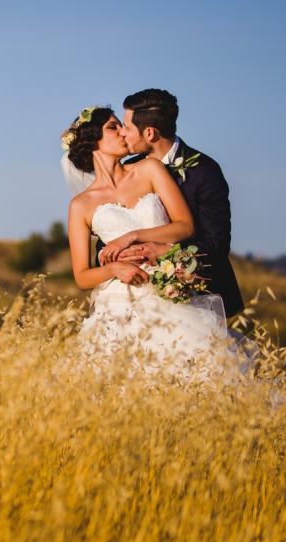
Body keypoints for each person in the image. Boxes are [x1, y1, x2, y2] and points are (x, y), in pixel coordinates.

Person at [62, 106, 232, 373]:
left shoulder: (150, 169)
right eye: (113, 127)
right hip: (119, 304)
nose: (124, 132)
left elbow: (185, 226)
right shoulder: (80, 205)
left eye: (121, 125)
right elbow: (82, 276)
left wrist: (133, 237)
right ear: (93, 140)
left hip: (168, 294)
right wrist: (114, 269)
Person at [100, 88, 244, 318]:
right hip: (135, 300)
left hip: (197, 300)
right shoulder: (127, 169)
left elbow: (216, 246)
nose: (122, 133)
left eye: (127, 127)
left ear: (149, 133)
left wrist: (167, 251)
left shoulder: (204, 171)